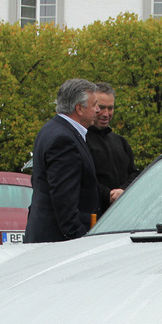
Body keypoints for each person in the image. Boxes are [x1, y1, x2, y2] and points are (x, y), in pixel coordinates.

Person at [24, 78, 100, 243]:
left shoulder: (50, 130)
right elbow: (64, 201)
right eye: (94, 104)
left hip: (46, 237)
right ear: (79, 108)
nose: (98, 110)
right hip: (58, 244)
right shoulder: (64, 140)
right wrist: (81, 240)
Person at [86, 82, 140, 213]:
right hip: (93, 215)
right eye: (101, 108)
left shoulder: (121, 142)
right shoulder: (82, 140)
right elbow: (85, 179)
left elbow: (134, 173)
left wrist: (123, 191)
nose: (106, 114)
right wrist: (108, 195)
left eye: (110, 108)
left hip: (121, 214)